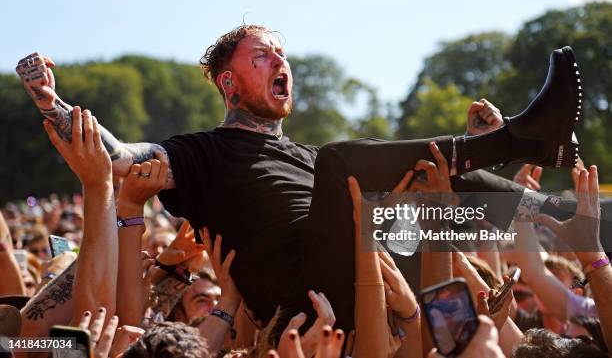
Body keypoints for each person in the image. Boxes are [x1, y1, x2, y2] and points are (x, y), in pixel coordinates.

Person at [16, 25, 584, 331]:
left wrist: (480, 183)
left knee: (406, 186)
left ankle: (568, 213)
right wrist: (52, 102)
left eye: (283, 55)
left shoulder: (307, 155)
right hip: (302, 299)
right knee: (348, 165)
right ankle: (520, 138)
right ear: (228, 85)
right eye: (262, 56)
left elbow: (404, 211)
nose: (280, 63)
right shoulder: (201, 153)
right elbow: (119, 158)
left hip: (371, 273)